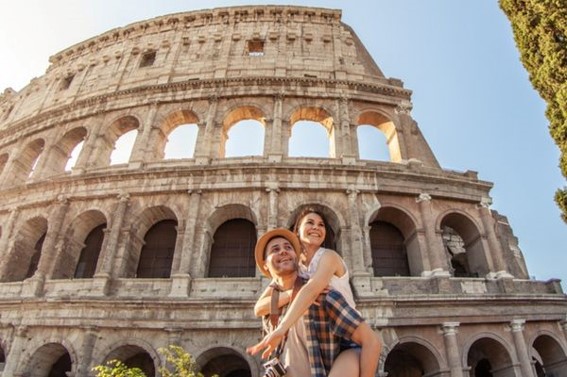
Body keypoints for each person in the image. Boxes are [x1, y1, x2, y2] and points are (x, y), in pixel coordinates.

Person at [247, 228, 381, 377]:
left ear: (297, 259)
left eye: (288, 247)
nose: (283, 251)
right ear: (265, 265)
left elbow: (371, 341)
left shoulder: (322, 295)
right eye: (275, 249)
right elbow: (258, 308)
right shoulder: (271, 309)